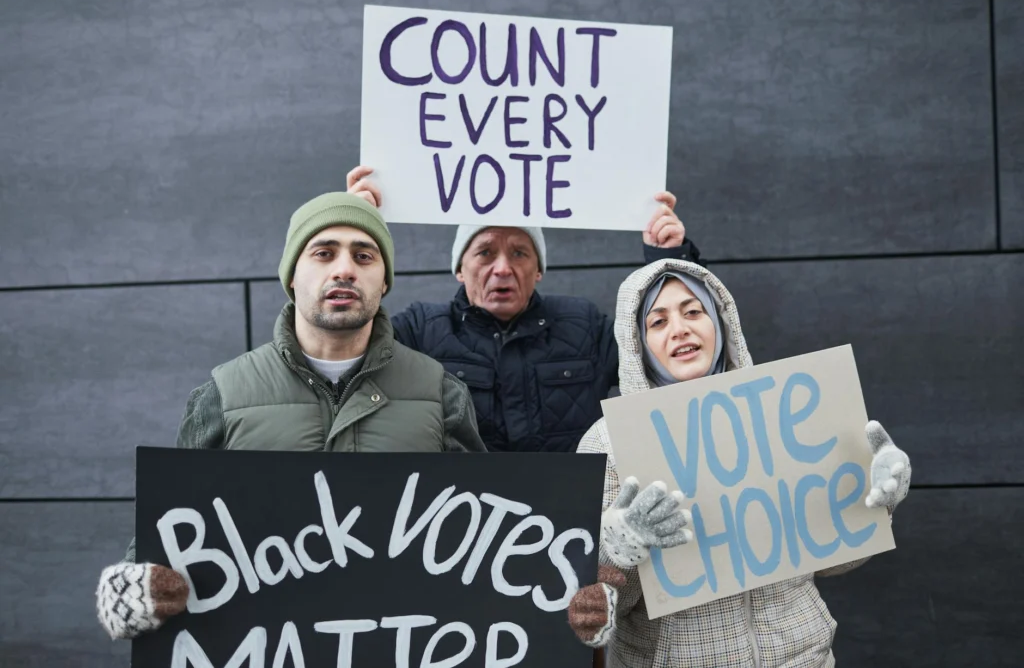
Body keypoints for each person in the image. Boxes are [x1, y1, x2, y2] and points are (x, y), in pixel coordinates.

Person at [94, 192, 486, 641]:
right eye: (323, 253)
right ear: (292, 277)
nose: (344, 269)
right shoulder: (224, 394)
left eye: (364, 255)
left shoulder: (440, 393)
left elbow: (483, 538)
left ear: (384, 282)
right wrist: (133, 587)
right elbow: (168, 530)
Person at [565, 257, 913, 667]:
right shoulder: (607, 441)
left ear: (720, 322)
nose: (680, 329)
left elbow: (836, 562)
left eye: (693, 311)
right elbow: (597, 608)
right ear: (637, 341)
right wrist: (615, 551)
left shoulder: (781, 412)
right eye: (657, 322)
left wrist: (873, 501)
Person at [346, 165, 706, 453]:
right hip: (458, 520)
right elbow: (345, 348)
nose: (502, 268)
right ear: (459, 268)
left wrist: (668, 258)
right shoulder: (421, 330)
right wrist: (353, 229)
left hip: (575, 518)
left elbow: (667, 364)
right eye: (485, 252)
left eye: (519, 252)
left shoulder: (584, 326)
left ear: (538, 270)